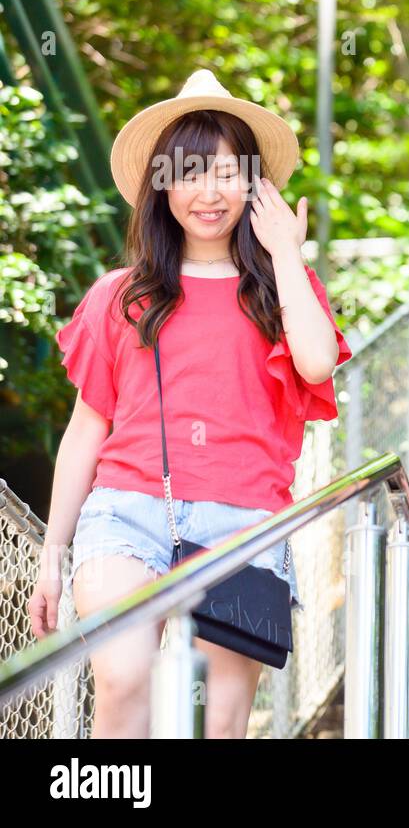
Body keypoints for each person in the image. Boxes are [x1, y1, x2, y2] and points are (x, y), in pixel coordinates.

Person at [27, 69, 352, 739]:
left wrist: (286, 252)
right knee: (122, 681)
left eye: (228, 172)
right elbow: (88, 430)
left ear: (256, 184)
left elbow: (318, 362)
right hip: (127, 511)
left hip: (246, 521)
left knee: (223, 722)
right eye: (190, 171)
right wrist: (53, 556)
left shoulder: (281, 290)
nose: (208, 191)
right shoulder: (121, 295)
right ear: (163, 184)